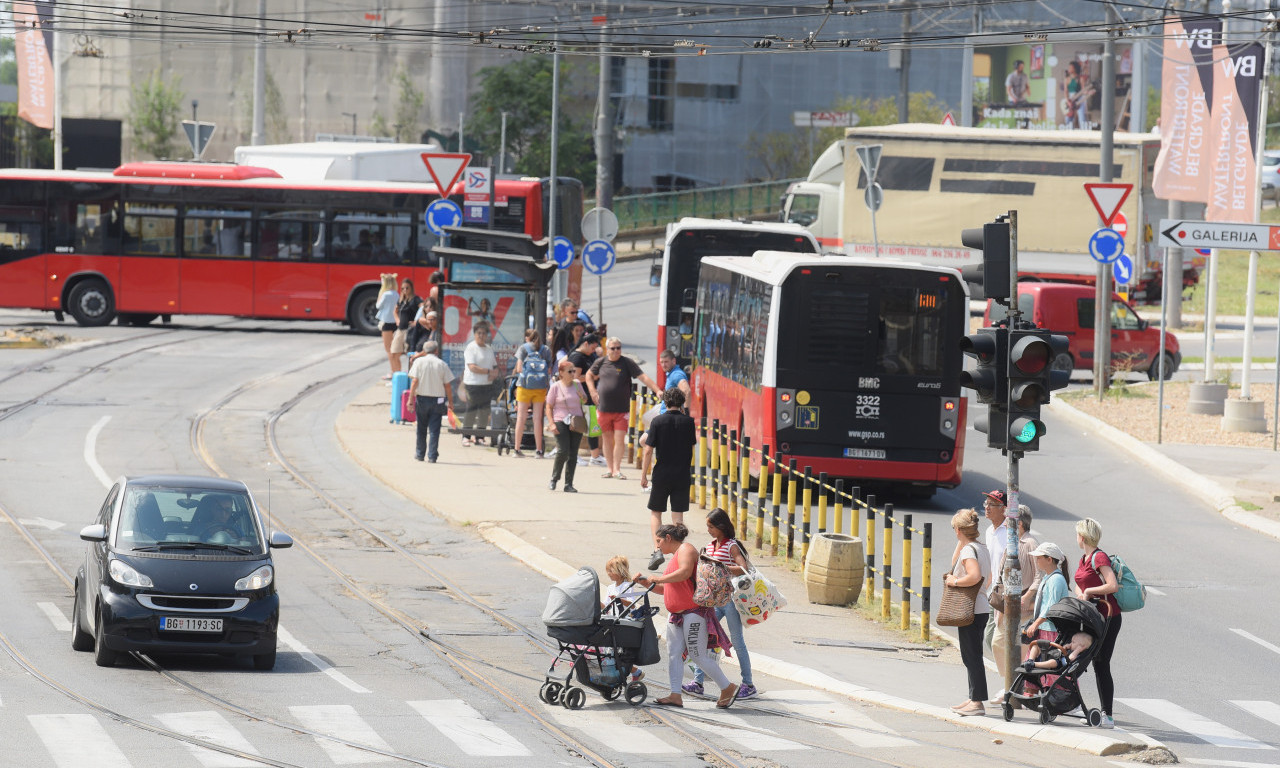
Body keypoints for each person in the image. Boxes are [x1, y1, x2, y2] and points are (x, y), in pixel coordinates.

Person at [632, 523, 739, 708]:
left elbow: (684, 573)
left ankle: (727, 687)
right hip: (677, 615)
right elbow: (666, 589)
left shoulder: (686, 549)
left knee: (697, 655)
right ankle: (675, 695)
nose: (657, 546)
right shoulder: (674, 557)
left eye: (659, 541)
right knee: (674, 654)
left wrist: (658, 578)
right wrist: (646, 583)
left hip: (694, 612)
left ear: (668, 538)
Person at [685, 508, 757, 700]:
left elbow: (743, 568)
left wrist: (722, 567)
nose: (708, 530)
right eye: (707, 526)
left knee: (737, 641)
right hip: (713, 601)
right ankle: (698, 682)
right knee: (703, 638)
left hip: (730, 601)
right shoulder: (709, 546)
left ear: (721, 526)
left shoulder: (731, 545)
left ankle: (748, 684)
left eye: (711, 526)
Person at [586, 338, 659, 479]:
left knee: (619, 439)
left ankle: (617, 470)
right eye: (613, 348)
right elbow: (589, 374)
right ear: (607, 349)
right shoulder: (601, 362)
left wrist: (657, 390)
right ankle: (609, 469)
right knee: (607, 439)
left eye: (618, 348)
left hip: (622, 410)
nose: (616, 351)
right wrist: (592, 391)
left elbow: (643, 377)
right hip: (603, 409)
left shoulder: (627, 362)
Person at [1073, 517, 1120, 729]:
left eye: (1077, 534)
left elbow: (1112, 585)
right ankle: (1098, 712)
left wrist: (1090, 591)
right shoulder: (1084, 558)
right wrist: (1081, 593)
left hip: (1108, 617)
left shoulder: (1099, 557)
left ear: (1082, 537)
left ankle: (1107, 715)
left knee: (1101, 663)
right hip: (1093, 616)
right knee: (1092, 661)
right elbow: (1079, 584)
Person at [945, 508, 991, 717]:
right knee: (972, 655)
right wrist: (962, 539)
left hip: (970, 608)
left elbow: (974, 576)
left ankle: (977, 702)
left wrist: (955, 581)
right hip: (980, 606)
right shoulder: (980, 548)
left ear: (958, 529)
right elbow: (956, 562)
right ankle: (974, 697)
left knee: (972, 656)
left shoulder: (969, 551)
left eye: (955, 528)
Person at [640, 388, 696, 553]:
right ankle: (678, 551)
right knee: (678, 514)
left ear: (665, 402)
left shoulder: (657, 421)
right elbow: (691, 447)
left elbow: (648, 450)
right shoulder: (689, 422)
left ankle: (658, 547)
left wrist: (644, 475)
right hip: (682, 474)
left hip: (662, 473)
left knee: (656, 512)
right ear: (682, 403)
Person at [1020, 541, 1071, 692]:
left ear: (1049, 559)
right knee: (1033, 669)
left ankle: (1056, 696)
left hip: (1051, 630)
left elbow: (1051, 607)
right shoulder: (1048, 578)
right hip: (1044, 629)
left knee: (1050, 669)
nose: (1036, 560)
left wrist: (1035, 624)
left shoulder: (1056, 579)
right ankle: (1033, 695)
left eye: (1039, 558)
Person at [407, 340, 455, 463]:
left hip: (422, 399)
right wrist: (450, 402)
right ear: (436, 351)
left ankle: (420, 454)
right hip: (438, 400)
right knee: (434, 429)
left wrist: (410, 399)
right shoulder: (442, 364)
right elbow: (447, 386)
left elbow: (414, 381)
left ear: (424, 351)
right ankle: (432, 456)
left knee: (421, 428)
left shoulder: (418, 362)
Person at [603, 555, 647, 682]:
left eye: (611, 571)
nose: (608, 573)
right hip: (612, 620)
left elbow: (632, 604)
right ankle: (635, 672)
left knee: (617, 653)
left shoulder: (627, 586)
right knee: (611, 652)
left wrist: (619, 599)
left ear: (619, 571)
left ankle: (631, 673)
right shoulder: (610, 588)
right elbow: (606, 605)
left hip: (623, 622)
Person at [545, 359, 586, 492]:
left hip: (576, 421)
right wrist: (551, 423)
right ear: (561, 373)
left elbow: (585, 400)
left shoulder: (577, 384)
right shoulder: (555, 387)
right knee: (563, 450)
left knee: (573, 453)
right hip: (560, 420)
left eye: (574, 371)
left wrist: (582, 396)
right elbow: (549, 407)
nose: (573, 373)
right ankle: (554, 478)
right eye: (570, 371)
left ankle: (569, 484)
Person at [512, 329, 552, 458]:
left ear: (527, 338)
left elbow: (519, 369)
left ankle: (517, 449)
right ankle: (539, 450)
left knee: (521, 418)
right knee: (537, 419)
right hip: (540, 388)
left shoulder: (523, 348)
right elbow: (549, 370)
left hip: (524, 386)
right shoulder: (546, 349)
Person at [567, 334, 606, 467]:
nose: (593, 350)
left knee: (593, 426)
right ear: (585, 344)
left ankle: (595, 456)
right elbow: (575, 378)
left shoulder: (589, 356)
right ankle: (573, 454)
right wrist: (592, 377)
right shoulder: (577, 357)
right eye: (592, 348)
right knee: (577, 426)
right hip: (580, 397)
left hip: (589, 397)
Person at [460, 322, 499, 447]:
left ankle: (480, 437)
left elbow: (495, 366)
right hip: (472, 384)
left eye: (484, 333)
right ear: (475, 334)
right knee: (471, 410)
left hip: (486, 385)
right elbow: (472, 367)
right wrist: (488, 371)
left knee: (484, 412)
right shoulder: (471, 348)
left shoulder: (488, 349)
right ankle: (466, 436)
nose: (481, 336)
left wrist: (494, 373)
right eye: (479, 333)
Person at [1021, 632, 1093, 672]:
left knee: (1053, 662)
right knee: (1036, 646)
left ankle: (1033, 664)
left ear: (1081, 646)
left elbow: (1070, 659)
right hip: (1049, 655)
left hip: (1056, 663)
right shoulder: (1069, 649)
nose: (1070, 643)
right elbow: (1058, 650)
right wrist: (1064, 648)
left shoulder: (1076, 655)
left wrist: (1077, 650)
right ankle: (1030, 660)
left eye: (1073, 642)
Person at [392, 278, 422, 370]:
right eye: (403, 288)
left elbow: (423, 308)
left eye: (407, 288)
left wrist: (417, 321)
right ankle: (397, 374)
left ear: (411, 288)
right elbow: (395, 311)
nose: (405, 290)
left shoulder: (416, 299)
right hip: (400, 329)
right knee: (394, 352)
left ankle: (410, 375)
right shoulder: (401, 300)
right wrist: (397, 320)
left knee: (410, 354)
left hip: (410, 330)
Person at [376, 274, 399, 379]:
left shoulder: (385, 294)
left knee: (388, 349)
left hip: (386, 322)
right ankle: (396, 370)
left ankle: (393, 371)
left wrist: (379, 295)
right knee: (394, 349)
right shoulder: (396, 294)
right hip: (394, 322)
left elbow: (378, 306)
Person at [1062, 61, 1092, 129]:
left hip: (1079, 99)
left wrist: (1088, 92)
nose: (1069, 69)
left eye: (1071, 67)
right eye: (1069, 67)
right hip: (1070, 99)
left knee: (1082, 118)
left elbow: (1083, 90)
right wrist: (1068, 101)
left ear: (1075, 68)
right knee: (1068, 119)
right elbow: (1065, 91)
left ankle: (1084, 131)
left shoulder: (1080, 78)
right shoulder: (1066, 79)